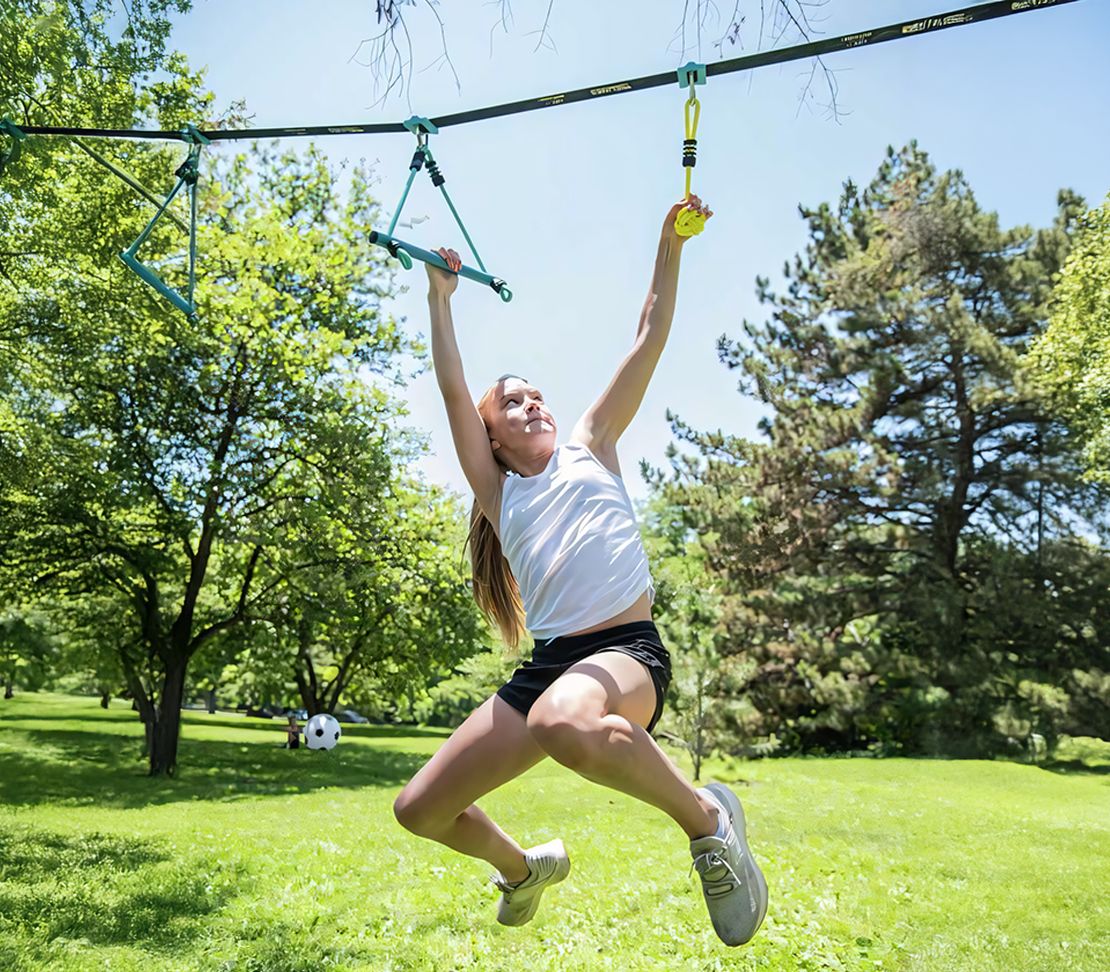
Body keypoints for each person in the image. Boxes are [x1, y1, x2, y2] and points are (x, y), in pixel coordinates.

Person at [392, 195, 767, 947]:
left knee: (563, 719)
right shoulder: (498, 492)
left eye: (536, 396)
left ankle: (709, 822)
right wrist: (440, 299)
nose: (532, 405)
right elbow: (449, 386)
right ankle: (523, 870)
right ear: (490, 437)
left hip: (627, 651)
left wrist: (671, 243)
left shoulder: (593, 444)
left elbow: (649, 334)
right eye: (511, 404)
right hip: (553, 668)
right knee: (420, 809)